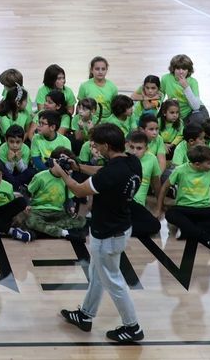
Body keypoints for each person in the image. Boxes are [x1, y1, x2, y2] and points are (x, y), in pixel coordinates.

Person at [56, 122, 144, 343]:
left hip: (107, 235)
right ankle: (85, 314)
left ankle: (132, 327)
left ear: (106, 146)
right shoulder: (132, 162)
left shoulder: (110, 174)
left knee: (113, 281)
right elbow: (102, 172)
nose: (93, 147)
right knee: (98, 274)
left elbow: (78, 189)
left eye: (96, 145)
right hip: (120, 226)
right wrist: (78, 167)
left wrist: (63, 174)